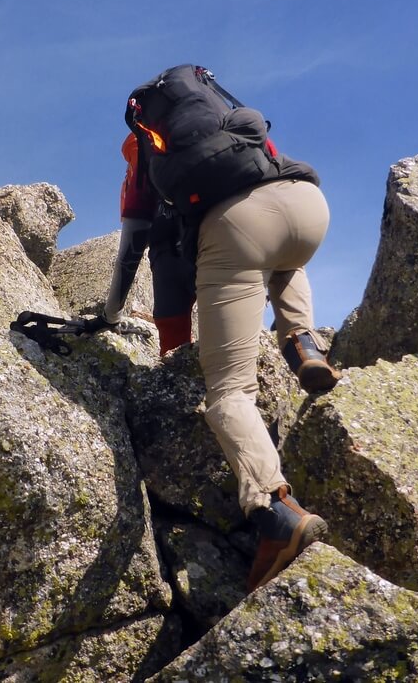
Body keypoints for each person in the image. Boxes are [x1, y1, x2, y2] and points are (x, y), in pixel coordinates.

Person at [94, 64, 342, 590]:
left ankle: (275, 511)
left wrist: (110, 314)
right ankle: (302, 342)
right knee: (282, 256)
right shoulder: (231, 125)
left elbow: (133, 245)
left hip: (239, 230)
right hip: (307, 207)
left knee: (229, 392)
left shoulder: (145, 154)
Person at [88, 133, 197, 356]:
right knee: (233, 346)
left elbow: (130, 252)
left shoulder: (142, 166)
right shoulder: (214, 144)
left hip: (167, 261)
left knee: (175, 350)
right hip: (222, 241)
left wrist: (111, 316)